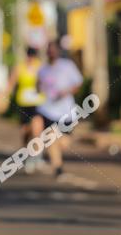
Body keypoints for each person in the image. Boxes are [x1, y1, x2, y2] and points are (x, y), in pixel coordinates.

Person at [34, 41, 84, 178]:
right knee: (51, 137)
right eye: (49, 51)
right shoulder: (42, 69)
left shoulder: (67, 66)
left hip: (66, 111)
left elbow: (78, 83)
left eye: (53, 50)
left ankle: (57, 158)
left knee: (63, 142)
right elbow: (37, 86)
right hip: (48, 110)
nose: (51, 53)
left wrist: (67, 92)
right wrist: (39, 88)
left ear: (58, 52)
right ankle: (57, 166)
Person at [6, 46, 46, 174]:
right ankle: (27, 153)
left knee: (37, 129)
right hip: (24, 104)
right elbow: (11, 84)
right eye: (29, 55)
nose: (31, 58)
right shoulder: (20, 68)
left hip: (38, 103)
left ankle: (36, 158)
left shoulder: (40, 68)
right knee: (25, 132)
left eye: (33, 55)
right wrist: (4, 98)